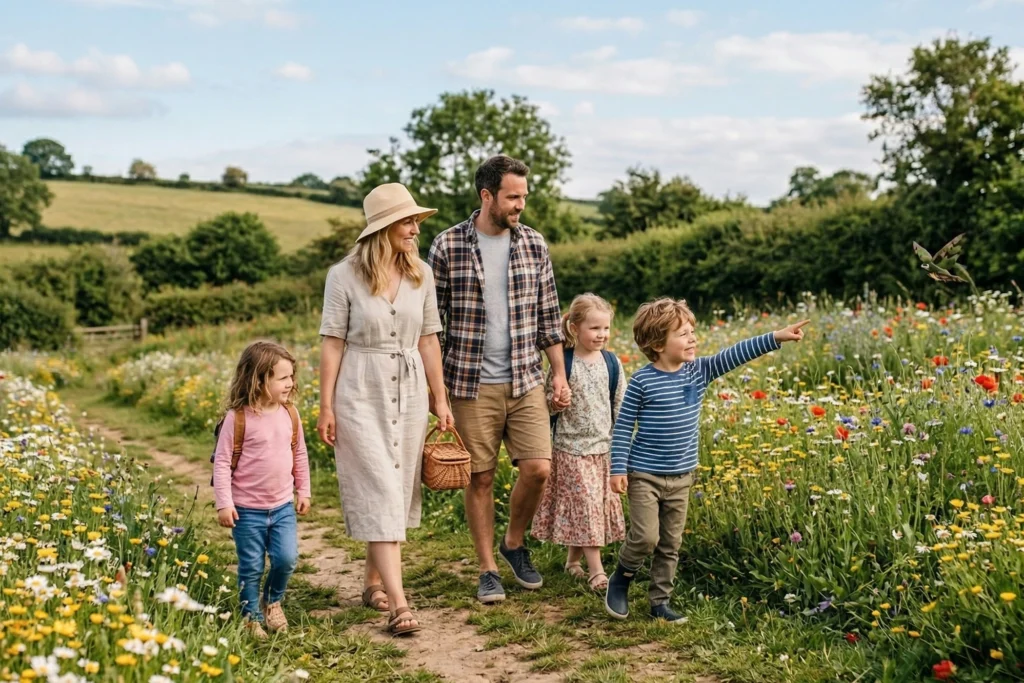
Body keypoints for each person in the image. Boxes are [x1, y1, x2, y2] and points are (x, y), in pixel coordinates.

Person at [605, 298, 808, 622]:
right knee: (646, 538)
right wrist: (617, 468)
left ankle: (660, 602)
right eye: (683, 334)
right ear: (658, 343)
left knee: (670, 543)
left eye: (692, 332)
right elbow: (623, 427)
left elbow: (734, 354)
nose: (692, 338)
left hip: (682, 476)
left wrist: (775, 337)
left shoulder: (699, 371)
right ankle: (622, 578)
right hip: (644, 474)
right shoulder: (642, 382)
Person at [427, 154, 569, 604]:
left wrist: (559, 375)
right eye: (513, 196)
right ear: (486, 195)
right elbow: (430, 324)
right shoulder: (447, 246)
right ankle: (487, 567)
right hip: (470, 383)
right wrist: (437, 393)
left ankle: (513, 542)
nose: (520, 205)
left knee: (539, 469)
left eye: (524, 196)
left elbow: (549, 317)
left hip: (526, 377)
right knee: (481, 478)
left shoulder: (533, 244)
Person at [317, 182, 454, 636]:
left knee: (396, 488)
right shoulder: (344, 276)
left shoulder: (422, 274)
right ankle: (399, 604)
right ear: (385, 227)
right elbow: (332, 343)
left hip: (411, 389)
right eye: (409, 221)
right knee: (379, 487)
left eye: (417, 221)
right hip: (359, 390)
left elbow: (429, 338)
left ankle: (372, 583)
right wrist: (325, 406)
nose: (416, 229)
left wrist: (441, 398)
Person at [213, 341, 312, 640]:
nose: (290, 383)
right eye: (282, 377)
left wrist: (303, 490)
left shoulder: (290, 415)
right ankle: (251, 617)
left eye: (291, 376)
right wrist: (223, 503)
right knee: (251, 566)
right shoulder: (237, 418)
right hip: (246, 510)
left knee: (286, 559)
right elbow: (221, 464)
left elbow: (300, 455)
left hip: (281, 507)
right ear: (259, 379)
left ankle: (272, 600)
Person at [531, 293, 626, 592]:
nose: (601, 335)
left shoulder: (611, 363)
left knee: (592, 507)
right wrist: (558, 401)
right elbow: (548, 403)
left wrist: (622, 446)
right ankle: (597, 572)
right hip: (570, 448)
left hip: (602, 449)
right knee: (584, 506)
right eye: (594, 328)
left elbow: (620, 403)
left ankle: (573, 561)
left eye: (606, 329)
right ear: (574, 328)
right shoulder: (565, 364)